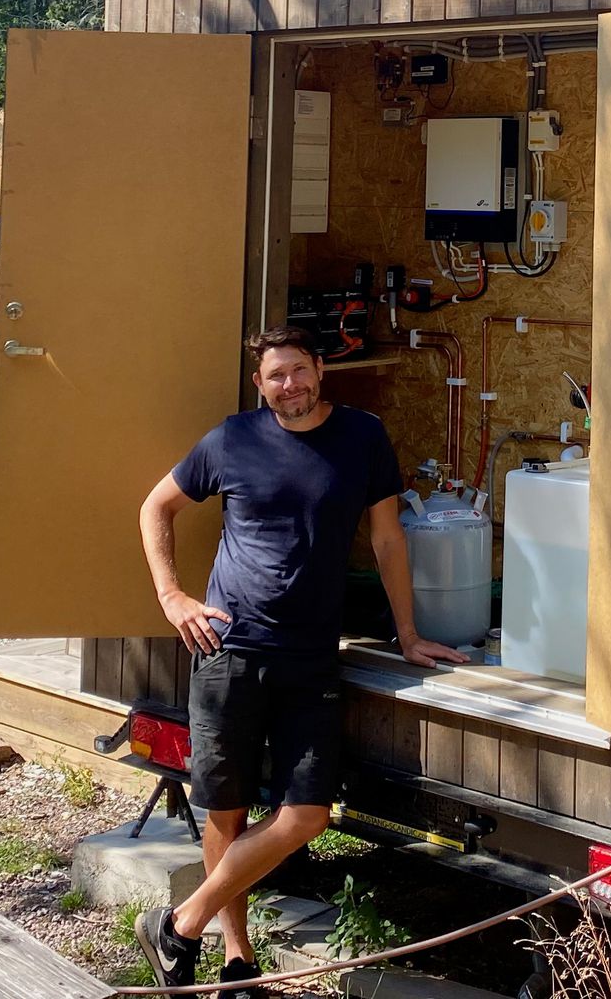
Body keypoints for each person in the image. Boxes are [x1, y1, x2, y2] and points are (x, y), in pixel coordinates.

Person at [132, 324, 468, 988]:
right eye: (275, 376)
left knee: (306, 816)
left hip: (311, 656)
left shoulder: (362, 437)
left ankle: (177, 925)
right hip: (229, 650)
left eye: (299, 370)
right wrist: (172, 597)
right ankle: (237, 964)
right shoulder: (234, 438)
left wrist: (407, 632)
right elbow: (156, 507)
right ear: (261, 385)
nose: (290, 385)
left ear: (321, 369)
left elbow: (387, 539)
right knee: (225, 813)